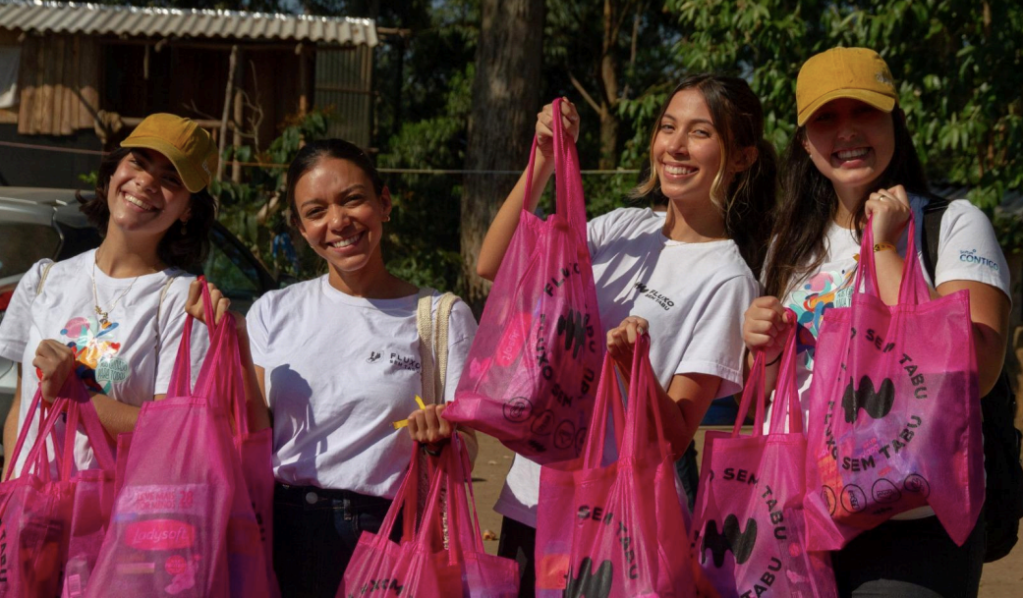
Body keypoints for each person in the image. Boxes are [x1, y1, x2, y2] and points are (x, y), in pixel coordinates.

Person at [478, 77, 777, 596]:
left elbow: (678, 435)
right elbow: (494, 265)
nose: (675, 147)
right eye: (668, 127)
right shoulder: (617, 228)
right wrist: (544, 160)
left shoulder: (728, 278)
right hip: (531, 497)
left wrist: (631, 366)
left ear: (742, 157)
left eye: (700, 133)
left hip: (614, 519)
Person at [742, 46, 1011, 597]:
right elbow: (769, 392)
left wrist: (885, 246)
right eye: (826, 117)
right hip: (795, 518)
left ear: (894, 121)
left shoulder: (951, 225)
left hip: (909, 523)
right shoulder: (786, 246)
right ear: (803, 140)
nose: (847, 131)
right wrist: (765, 353)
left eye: (864, 110)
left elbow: (973, 370)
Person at [233, 139, 478, 598]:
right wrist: (232, 346)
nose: (338, 222)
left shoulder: (441, 316)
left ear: (383, 203)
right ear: (300, 227)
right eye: (316, 211)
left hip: (385, 533)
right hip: (279, 529)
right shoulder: (275, 310)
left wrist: (442, 439)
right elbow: (255, 431)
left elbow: (467, 446)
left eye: (352, 199)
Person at [0, 113, 218, 478]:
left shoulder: (184, 302)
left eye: (170, 179)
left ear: (188, 209)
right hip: (31, 516)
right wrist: (9, 486)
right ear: (114, 171)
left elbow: (173, 434)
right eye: (138, 162)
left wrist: (74, 396)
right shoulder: (45, 279)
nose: (146, 182)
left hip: (110, 522)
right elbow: (22, 406)